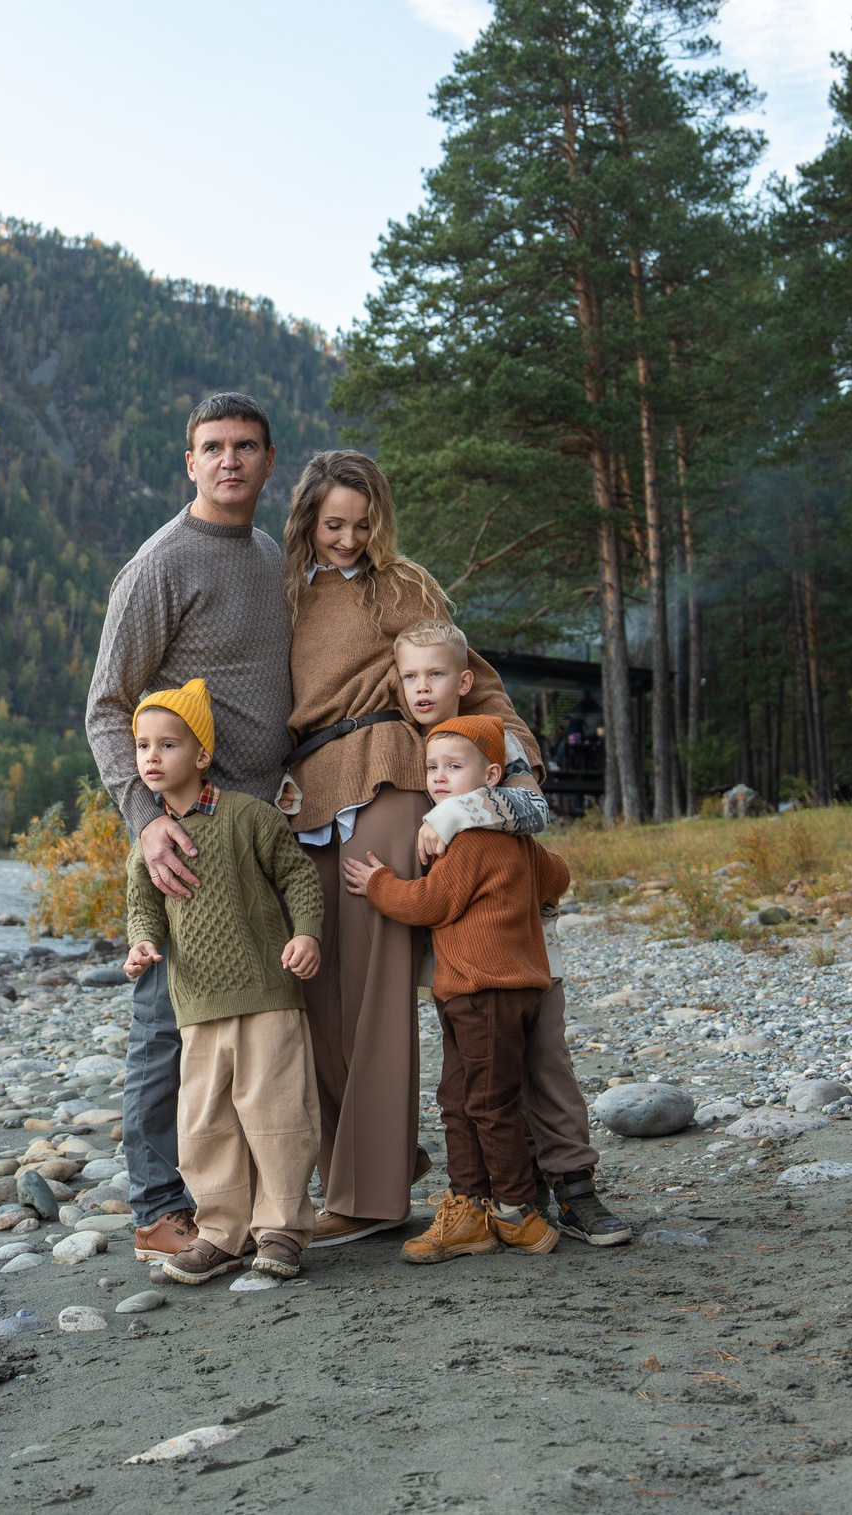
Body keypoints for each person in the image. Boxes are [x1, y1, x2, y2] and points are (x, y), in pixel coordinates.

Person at [282, 450, 555, 1247]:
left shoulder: (404, 585)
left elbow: (473, 680)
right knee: (319, 998)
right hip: (305, 795)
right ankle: (377, 1166)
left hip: (389, 777)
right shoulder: (280, 591)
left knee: (373, 1000)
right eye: (334, 524)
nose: (350, 539)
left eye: (365, 524)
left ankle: (367, 1198)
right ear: (306, 518)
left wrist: (516, 770)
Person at [85, 392, 293, 1265]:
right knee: (165, 1025)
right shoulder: (160, 564)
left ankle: (235, 1206)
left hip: (257, 832)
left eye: (245, 446)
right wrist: (144, 822)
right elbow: (105, 709)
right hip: (184, 834)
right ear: (190, 462)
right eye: (212, 447)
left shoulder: (271, 555)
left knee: (247, 1023)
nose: (230, 461)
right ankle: (155, 1207)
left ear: (268, 461)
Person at [385, 618, 632, 1248]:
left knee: (541, 1066)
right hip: (456, 957)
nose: (422, 687)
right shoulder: (386, 735)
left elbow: (534, 814)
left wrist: (456, 813)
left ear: (462, 680)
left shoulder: (493, 731)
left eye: (435, 674)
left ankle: (568, 1190)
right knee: (474, 1082)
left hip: (510, 950)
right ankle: (496, 1196)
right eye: (410, 675)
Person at [120, 680, 325, 1285]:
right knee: (205, 1122)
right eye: (141, 746)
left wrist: (307, 934)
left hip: (267, 996)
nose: (151, 758)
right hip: (197, 1007)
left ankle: (283, 1228)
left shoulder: (248, 816)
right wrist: (141, 946)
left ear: (202, 755)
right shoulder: (147, 845)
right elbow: (143, 909)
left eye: (167, 745)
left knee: (276, 1112)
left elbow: (298, 878)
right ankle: (220, 1232)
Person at [344, 714, 568, 1263]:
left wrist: (379, 884)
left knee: (487, 1103)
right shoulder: (512, 838)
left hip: (483, 991)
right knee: (460, 1099)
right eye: (432, 767)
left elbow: (429, 904)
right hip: (496, 991)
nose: (439, 777)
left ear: (491, 776)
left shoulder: (467, 839)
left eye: (454, 767)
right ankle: (468, 1202)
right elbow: (557, 874)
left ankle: (517, 1212)